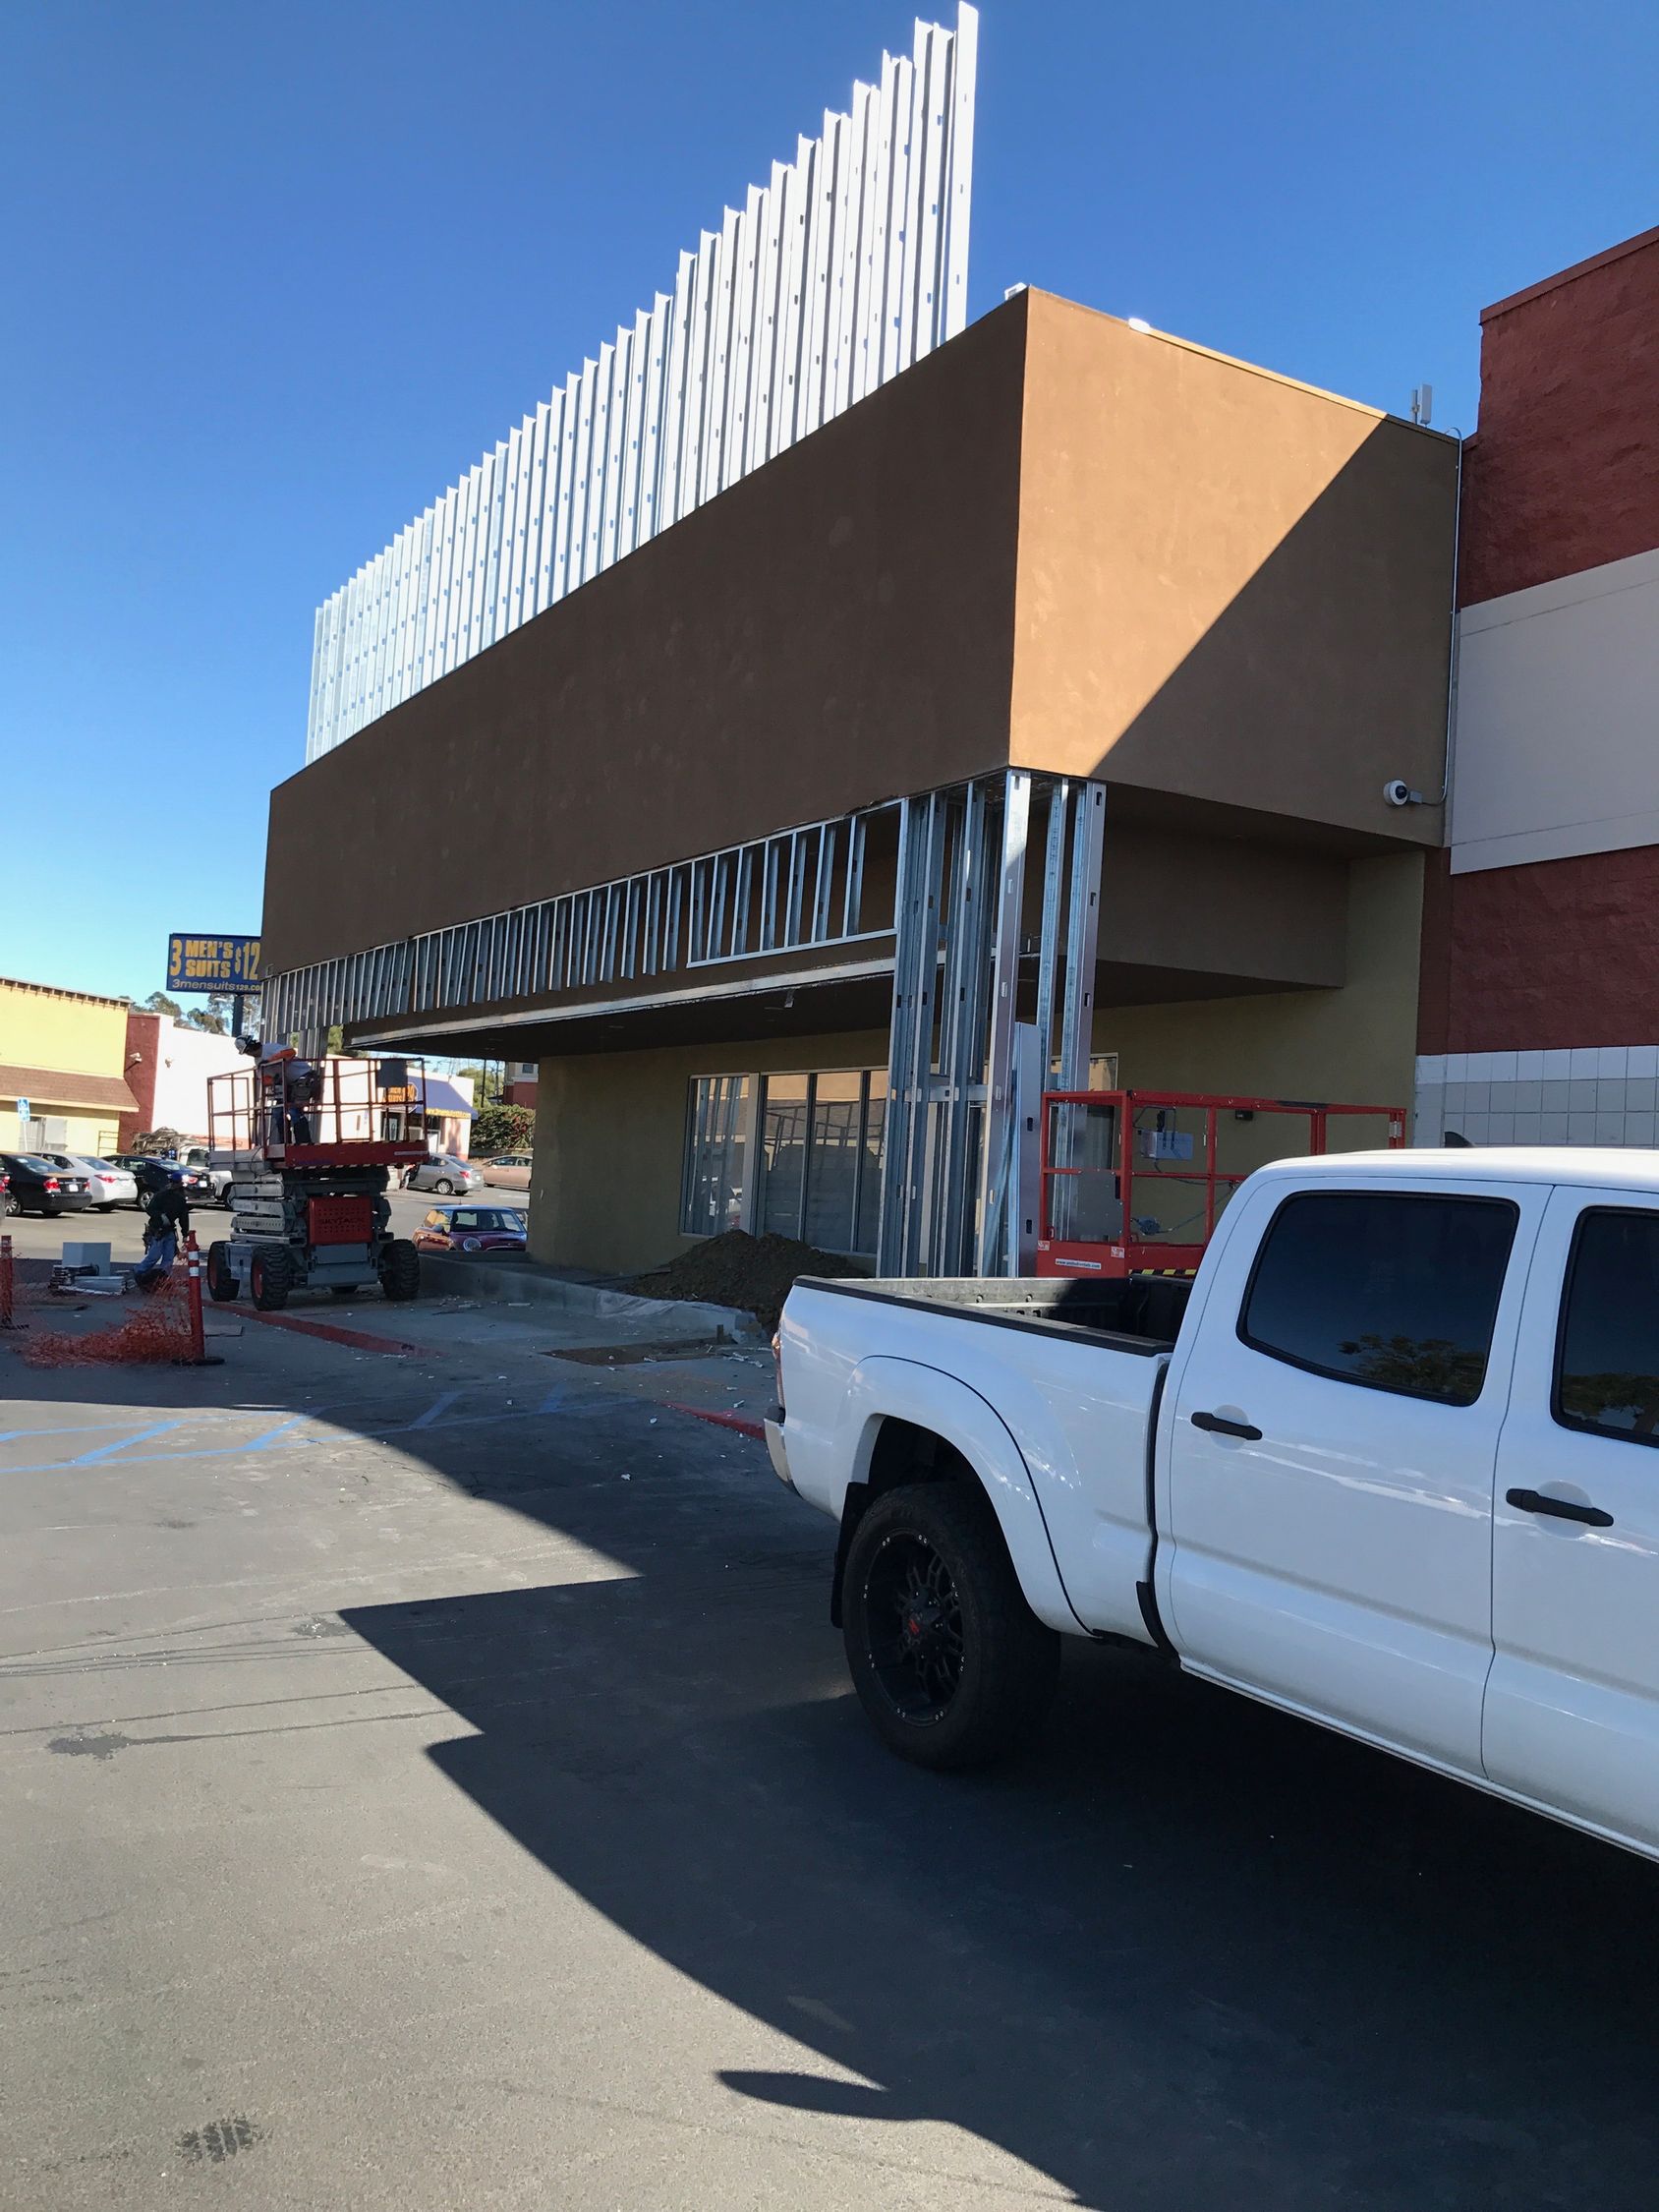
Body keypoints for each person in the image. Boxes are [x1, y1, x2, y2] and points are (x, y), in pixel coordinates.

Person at [134, 1175, 191, 1293]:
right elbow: (150, 1209)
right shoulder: (162, 1195)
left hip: (168, 1230)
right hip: (158, 1229)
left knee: (168, 1258)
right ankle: (139, 1272)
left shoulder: (179, 1199)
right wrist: (160, 1216)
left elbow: (183, 1217)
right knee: (154, 1255)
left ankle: (163, 1279)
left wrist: (185, 1233)